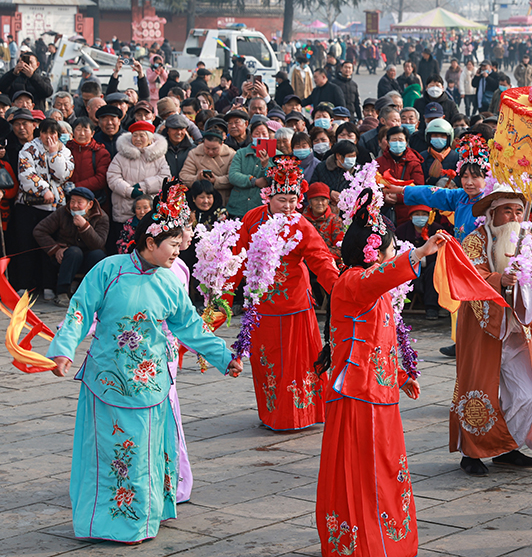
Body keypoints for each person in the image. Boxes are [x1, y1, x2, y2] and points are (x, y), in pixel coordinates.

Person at [46, 180, 243, 543]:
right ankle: (109, 523)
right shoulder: (109, 270)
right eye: (172, 243)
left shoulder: (170, 282)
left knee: (146, 453)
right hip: (108, 379)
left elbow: (191, 327)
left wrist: (223, 357)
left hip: (151, 383)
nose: (178, 250)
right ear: (150, 242)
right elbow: (79, 311)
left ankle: (145, 517)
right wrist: (63, 350)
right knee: (114, 453)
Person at [314, 189, 448, 557]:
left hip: (379, 392)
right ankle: (366, 544)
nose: (395, 254)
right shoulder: (353, 282)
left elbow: (380, 342)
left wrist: (402, 376)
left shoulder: (373, 288)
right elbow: (380, 279)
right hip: (359, 395)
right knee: (364, 474)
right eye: (391, 248)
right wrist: (419, 253)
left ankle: (386, 539)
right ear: (374, 253)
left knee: (386, 471)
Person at [452, 185, 532, 476]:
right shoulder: (475, 240)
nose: (513, 216)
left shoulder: (530, 241)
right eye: (506, 210)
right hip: (481, 323)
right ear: (492, 213)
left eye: (517, 210)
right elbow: (469, 275)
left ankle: (506, 445)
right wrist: (501, 279)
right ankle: (472, 451)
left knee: (525, 393)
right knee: (477, 385)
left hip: (516, 327)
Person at [229, 158, 340, 431]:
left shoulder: (301, 225)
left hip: (294, 303)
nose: (288, 206)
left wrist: (340, 290)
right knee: (267, 363)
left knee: (297, 364)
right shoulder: (252, 219)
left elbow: (321, 260)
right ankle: (272, 413)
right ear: (267, 196)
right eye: (281, 199)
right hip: (262, 305)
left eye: (293, 199)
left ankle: (301, 415)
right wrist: (224, 294)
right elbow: (237, 259)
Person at [12, 118, 73, 296]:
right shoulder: (28, 149)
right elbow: (25, 174)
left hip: (54, 208)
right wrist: (44, 190)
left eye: (53, 133)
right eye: (45, 132)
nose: (49, 137)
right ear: (40, 133)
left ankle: (48, 286)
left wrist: (54, 154)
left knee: (49, 247)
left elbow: (63, 175)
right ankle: (24, 285)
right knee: (26, 245)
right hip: (29, 204)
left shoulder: (65, 151)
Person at [33, 186, 108, 307]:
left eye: (80, 202)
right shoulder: (63, 212)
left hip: (89, 257)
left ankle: (93, 294)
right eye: (72, 201)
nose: (74, 205)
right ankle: (62, 292)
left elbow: (99, 244)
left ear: (90, 205)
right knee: (74, 252)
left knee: (99, 254)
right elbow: (40, 230)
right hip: (67, 257)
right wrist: (56, 249)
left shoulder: (101, 217)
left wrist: (85, 227)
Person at [106, 121, 171, 253]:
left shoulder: (158, 157)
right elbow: (112, 177)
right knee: (123, 245)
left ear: (149, 138)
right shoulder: (120, 156)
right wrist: (130, 191)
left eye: (142, 136)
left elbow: (165, 178)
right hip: (124, 209)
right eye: (135, 135)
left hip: (149, 209)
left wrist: (144, 186)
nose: (138, 139)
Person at [180, 129, 236, 205]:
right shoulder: (194, 153)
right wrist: (197, 178)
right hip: (200, 199)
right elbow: (183, 176)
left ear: (222, 144)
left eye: (214, 149)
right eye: (207, 148)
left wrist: (216, 181)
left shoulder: (231, 155)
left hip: (223, 198)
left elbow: (233, 178)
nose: (210, 152)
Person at [67, 117, 111, 209]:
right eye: (78, 129)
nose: (82, 133)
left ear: (92, 133)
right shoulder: (65, 150)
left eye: (85, 130)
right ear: (72, 132)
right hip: (69, 200)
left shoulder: (101, 152)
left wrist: (76, 187)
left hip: (94, 200)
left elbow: (101, 179)